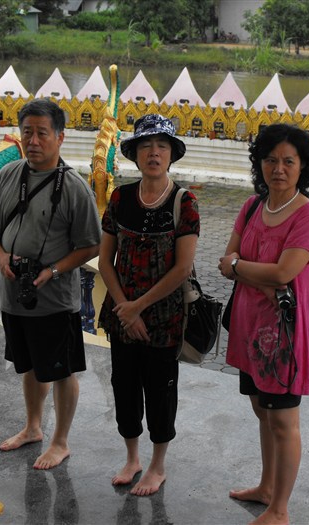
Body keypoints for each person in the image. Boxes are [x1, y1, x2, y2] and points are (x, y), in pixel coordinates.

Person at [0, 99, 101, 470]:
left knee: (61, 371)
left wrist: (53, 270)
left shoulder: (75, 189)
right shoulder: (7, 175)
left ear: (60, 137)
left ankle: (60, 441)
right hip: (13, 295)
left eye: (42, 133)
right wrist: (1, 257)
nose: (33, 141)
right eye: (27, 132)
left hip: (54, 300)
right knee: (29, 365)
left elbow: (91, 246)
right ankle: (33, 427)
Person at [218, 124, 309, 525]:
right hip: (249, 329)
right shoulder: (252, 207)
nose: (278, 169)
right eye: (270, 160)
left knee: (283, 420)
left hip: (284, 335)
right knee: (261, 409)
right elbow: (225, 261)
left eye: (288, 161)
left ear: (303, 167)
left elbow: (283, 272)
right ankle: (266, 487)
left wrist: (240, 268)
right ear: (259, 163)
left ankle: (280, 510)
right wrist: (247, 272)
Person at [98, 114, 199, 496]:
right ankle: (132, 457)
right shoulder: (120, 198)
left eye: (161, 146)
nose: (153, 153)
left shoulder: (184, 202)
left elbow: (182, 268)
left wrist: (138, 307)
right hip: (123, 314)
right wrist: (126, 308)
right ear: (135, 154)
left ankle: (157, 464)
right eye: (145, 146)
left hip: (163, 317)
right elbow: (105, 260)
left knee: (160, 390)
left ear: (171, 154)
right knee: (123, 386)